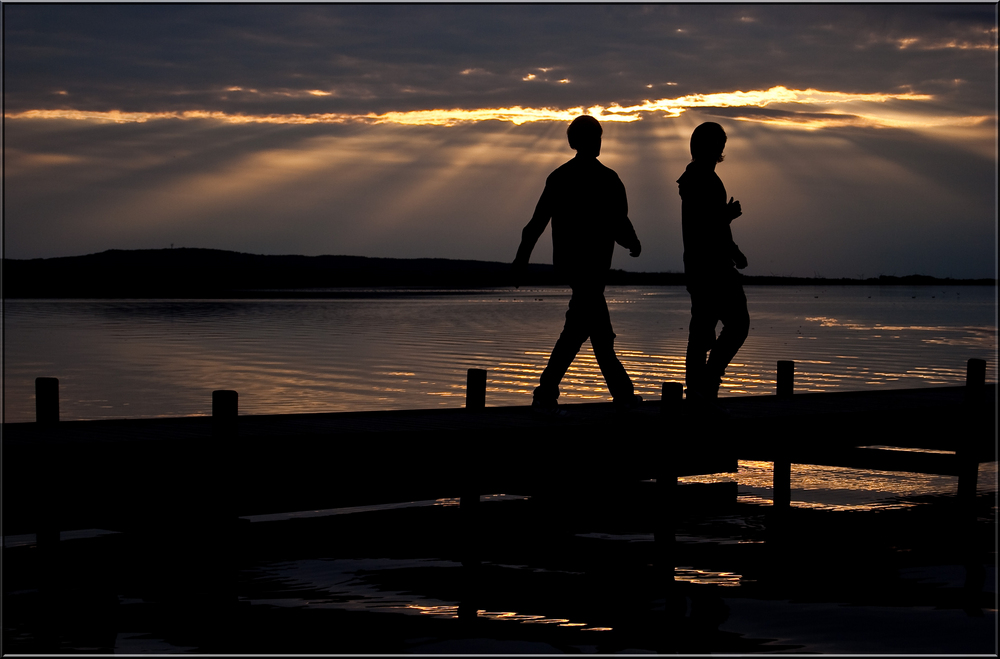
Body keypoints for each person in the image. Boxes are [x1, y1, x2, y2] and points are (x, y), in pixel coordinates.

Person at [512, 115, 643, 412]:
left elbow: (616, 220)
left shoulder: (565, 177)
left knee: (589, 331)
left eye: (598, 136)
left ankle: (611, 394)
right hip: (588, 266)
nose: (597, 142)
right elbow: (617, 220)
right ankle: (553, 393)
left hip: (578, 266)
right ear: (578, 143)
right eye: (593, 137)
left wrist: (521, 259)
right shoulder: (602, 178)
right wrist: (632, 241)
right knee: (587, 332)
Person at [677, 121, 750, 407]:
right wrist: (728, 215)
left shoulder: (699, 177)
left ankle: (700, 392)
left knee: (703, 330)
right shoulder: (699, 178)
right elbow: (705, 225)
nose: (721, 149)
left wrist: (734, 250)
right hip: (711, 268)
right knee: (737, 324)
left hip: (704, 266)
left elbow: (715, 228)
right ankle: (706, 383)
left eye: (722, 144)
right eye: (718, 144)